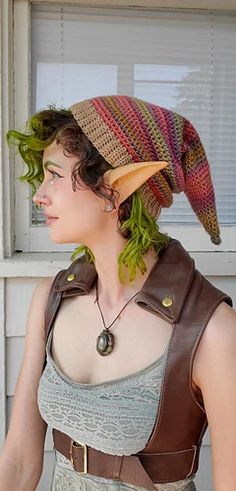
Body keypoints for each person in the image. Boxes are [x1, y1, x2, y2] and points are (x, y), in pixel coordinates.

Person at [0, 95, 235, 491]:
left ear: (115, 189)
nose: (40, 195)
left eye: (55, 175)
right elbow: (21, 461)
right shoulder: (50, 300)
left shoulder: (211, 330)